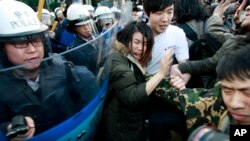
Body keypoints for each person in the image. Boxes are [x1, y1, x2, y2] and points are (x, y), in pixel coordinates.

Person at [0, 0, 99, 140]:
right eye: (19, 43)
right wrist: (7, 128)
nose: (32, 50)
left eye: (36, 40)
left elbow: (89, 90)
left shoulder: (61, 66)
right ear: (2, 49)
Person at [97, 20, 177, 141]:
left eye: (145, 44)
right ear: (126, 40)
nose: (140, 48)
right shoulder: (116, 59)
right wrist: (161, 73)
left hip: (135, 124)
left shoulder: (141, 59)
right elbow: (131, 96)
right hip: (119, 129)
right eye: (137, 42)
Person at [143, 0, 189, 75]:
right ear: (146, 13)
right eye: (159, 13)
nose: (165, 19)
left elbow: (183, 63)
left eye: (169, 12)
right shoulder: (137, 35)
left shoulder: (177, 33)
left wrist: (184, 76)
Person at [65, 3, 99, 74]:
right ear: (74, 28)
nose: (86, 27)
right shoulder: (74, 50)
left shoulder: (97, 38)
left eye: (88, 23)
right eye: (81, 25)